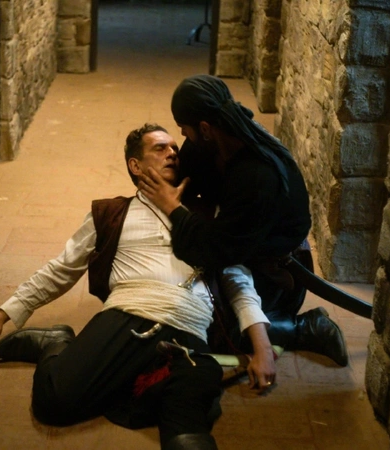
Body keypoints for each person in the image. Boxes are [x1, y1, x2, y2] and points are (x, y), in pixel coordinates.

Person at [0, 123, 276, 450]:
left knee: (188, 418)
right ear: (135, 166)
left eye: (174, 148)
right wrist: (2, 315)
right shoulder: (111, 213)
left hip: (188, 329)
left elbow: (239, 281)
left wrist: (262, 348)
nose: (172, 153)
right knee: (54, 402)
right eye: (160, 148)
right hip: (125, 319)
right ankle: (55, 344)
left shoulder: (206, 213)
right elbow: (61, 269)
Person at [137, 75, 348, 367]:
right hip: (238, 247)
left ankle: (305, 328)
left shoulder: (257, 175)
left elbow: (220, 250)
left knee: (213, 328)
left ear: (204, 128)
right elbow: (184, 184)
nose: (182, 135)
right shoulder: (209, 142)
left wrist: (174, 208)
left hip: (272, 276)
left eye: (184, 128)